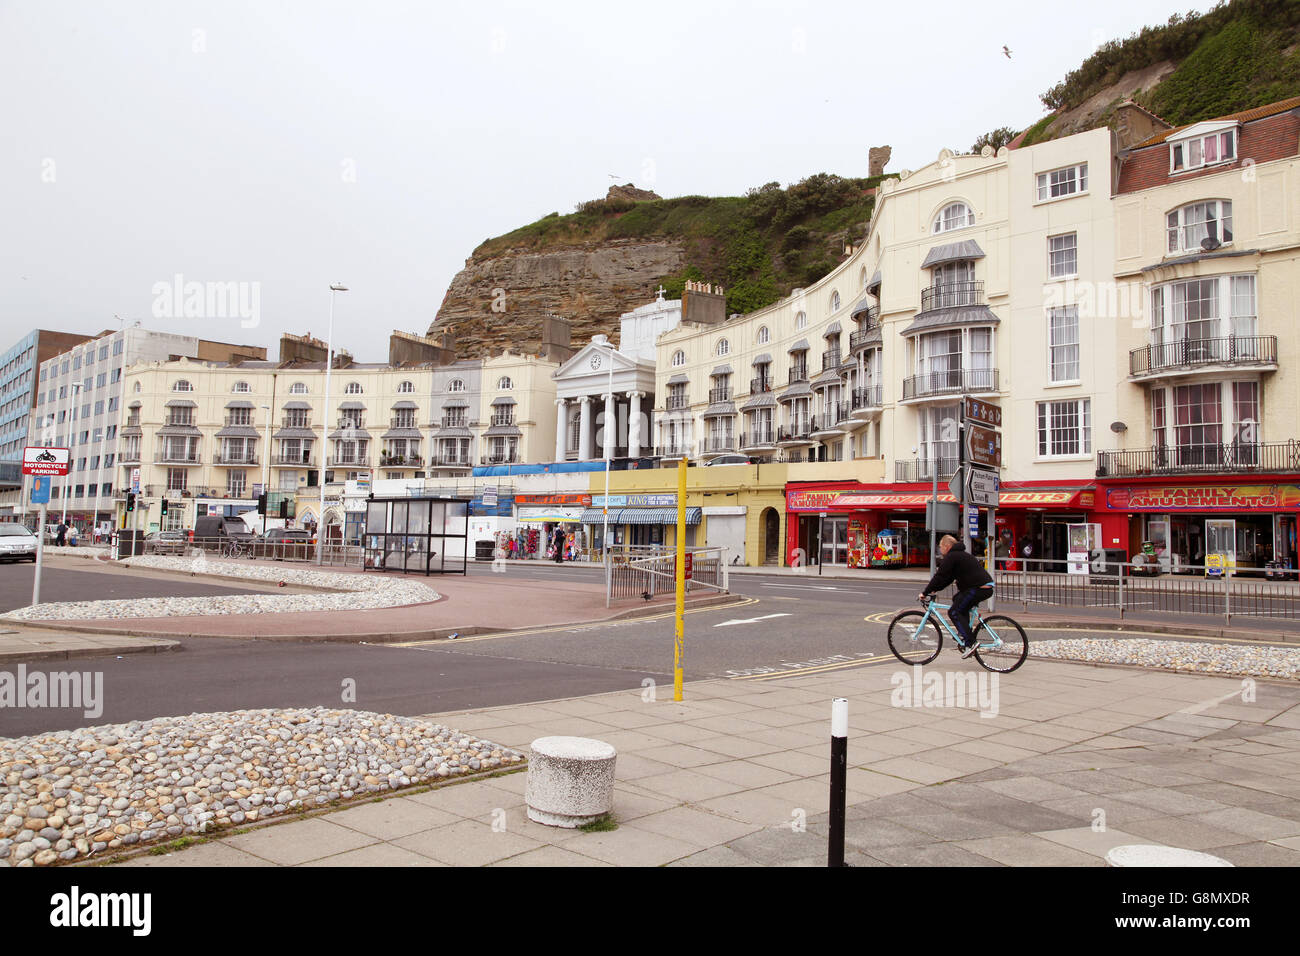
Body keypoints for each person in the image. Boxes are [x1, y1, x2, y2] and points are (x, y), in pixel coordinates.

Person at [919, 534, 994, 659]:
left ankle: (970, 643)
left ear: (947, 546)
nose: (940, 549)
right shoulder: (959, 555)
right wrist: (935, 589)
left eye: (941, 547)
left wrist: (925, 592)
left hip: (978, 588)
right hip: (981, 587)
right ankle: (964, 633)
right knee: (957, 600)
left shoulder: (952, 556)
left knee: (954, 612)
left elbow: (940, 576)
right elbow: (947, 579)